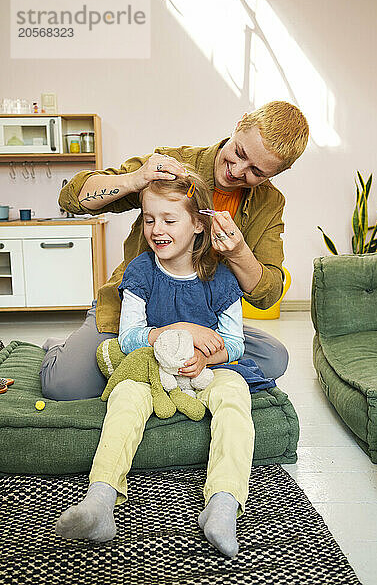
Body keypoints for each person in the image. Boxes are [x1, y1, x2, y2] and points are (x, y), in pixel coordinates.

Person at [40, 100, 309, 400]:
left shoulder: (270, 204)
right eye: (240, 153)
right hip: (137, 313)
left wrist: (239, 253)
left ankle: (168, 361)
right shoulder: (173, 165)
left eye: (256, 171)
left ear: (277, 172)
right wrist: (136, 179)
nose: (236, 170)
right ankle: (63, 348)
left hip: (203, 317)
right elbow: (71, 198)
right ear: (240, 124)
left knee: (274, 358)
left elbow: (269, 295)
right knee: (63, 385)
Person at [55, 172, 257, 558]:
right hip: (152, 369)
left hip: (203, 372)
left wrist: (202, 357)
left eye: (169, 220)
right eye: (149, 219)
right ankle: (100, 499)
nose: (156, 229)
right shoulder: (141, 271)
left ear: (199, 223)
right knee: (127, 394)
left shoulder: (222, 277)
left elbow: (233, 345)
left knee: (235, 392)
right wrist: (179, 329)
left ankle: (223, 503)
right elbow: (129, 338)